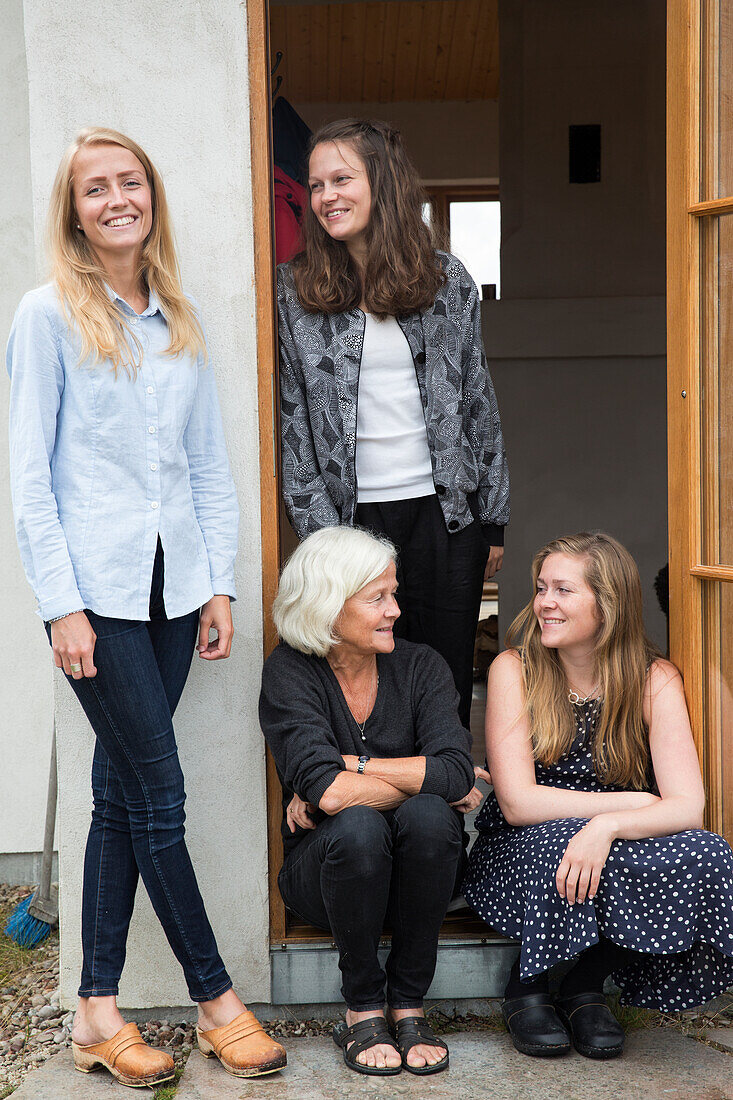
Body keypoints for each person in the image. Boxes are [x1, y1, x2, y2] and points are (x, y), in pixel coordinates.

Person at [6, 127, 286, 1088]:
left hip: (174, 595)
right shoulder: (46, 316)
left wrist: (219, 582)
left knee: (124, 796)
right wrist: (61, 605)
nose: (117, 198)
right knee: (159, 795)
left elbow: (208, 467)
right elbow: (29, 480)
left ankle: (94, 1011)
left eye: (131, 182)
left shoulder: (180, 321)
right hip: (98, 600)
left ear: (151, 197)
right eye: (96, 187)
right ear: (74, 209)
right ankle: (216, 1001)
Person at [462, 532, 733, 1060]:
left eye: (563, 590)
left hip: (610, 837)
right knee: (556, 841)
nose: (545, 603)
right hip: (523, 843)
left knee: (708, 851)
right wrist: (629, 805)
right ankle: (528, 985)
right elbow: (518, 802)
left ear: (607, 605)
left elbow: (687, 807)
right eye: (542, 589)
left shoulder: (654, 678)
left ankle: (585, 984)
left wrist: (606, 827)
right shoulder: (513, 669)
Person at [276, 118, 509, 729]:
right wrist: (320, 535)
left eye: (342, 179)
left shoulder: (446, 281)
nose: (326, 196)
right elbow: (295, 423)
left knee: (443, 676)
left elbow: (477, 399)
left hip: (444, 518)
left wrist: (493, 519)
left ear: (383, 182)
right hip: (352, 522)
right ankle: (371, 811)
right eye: (317, 184)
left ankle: (439, 811)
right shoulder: (294, 291)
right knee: (358, 679)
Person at [259, 526, 484, 1076]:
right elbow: (330, 792)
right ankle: (362, 1005)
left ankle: (408, 1001)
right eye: (378, 598)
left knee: (430, 819)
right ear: (329, 608)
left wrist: (352, 765)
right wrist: (419, 781)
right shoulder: (291, 671)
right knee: (362, 826)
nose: (395, 610)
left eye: (394, 594)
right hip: (328, 881)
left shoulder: (421, 666)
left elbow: (454, 772)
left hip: (421, 881)